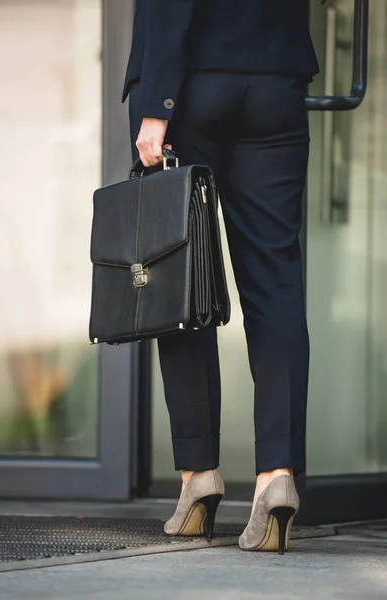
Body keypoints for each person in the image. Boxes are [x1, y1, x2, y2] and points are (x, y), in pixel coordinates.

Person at [123, 0, 319, 554]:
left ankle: (198, 477)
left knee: (179, 278)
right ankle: (276, 476)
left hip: (188, 86)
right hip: (276, 80)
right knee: (276, 278)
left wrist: (158, 102)